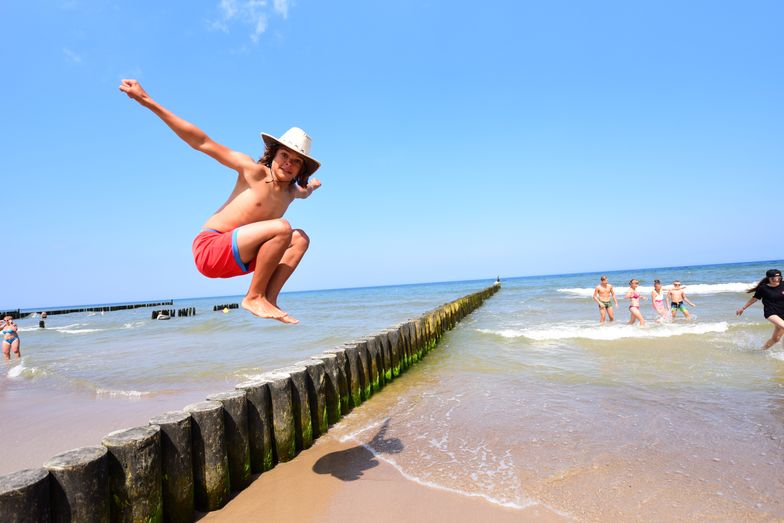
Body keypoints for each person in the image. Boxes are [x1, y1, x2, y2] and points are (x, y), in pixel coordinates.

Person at [120, 80, 322, 323]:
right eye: (284, 156)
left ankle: (268, 298)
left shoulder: (291, 192)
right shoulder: (253, 171)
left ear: (301, 169)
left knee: (300, 239)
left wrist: (312, 186)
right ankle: (253, 297)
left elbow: (305, 191)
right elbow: (201, 142)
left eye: (296, 161)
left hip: (239, 259)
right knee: (282, 227)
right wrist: (146, 101)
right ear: (273, 155)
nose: (288, 163)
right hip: (211, 249)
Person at [736, 269, 784, 350]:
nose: (777, 280)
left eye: (779, 277)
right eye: (774, 278)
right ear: (769, 278)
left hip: (783, 312)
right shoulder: (763, 288)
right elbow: (754, 299)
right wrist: (743, 308)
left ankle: (761, 350)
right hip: (771, 313)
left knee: (776, 339)